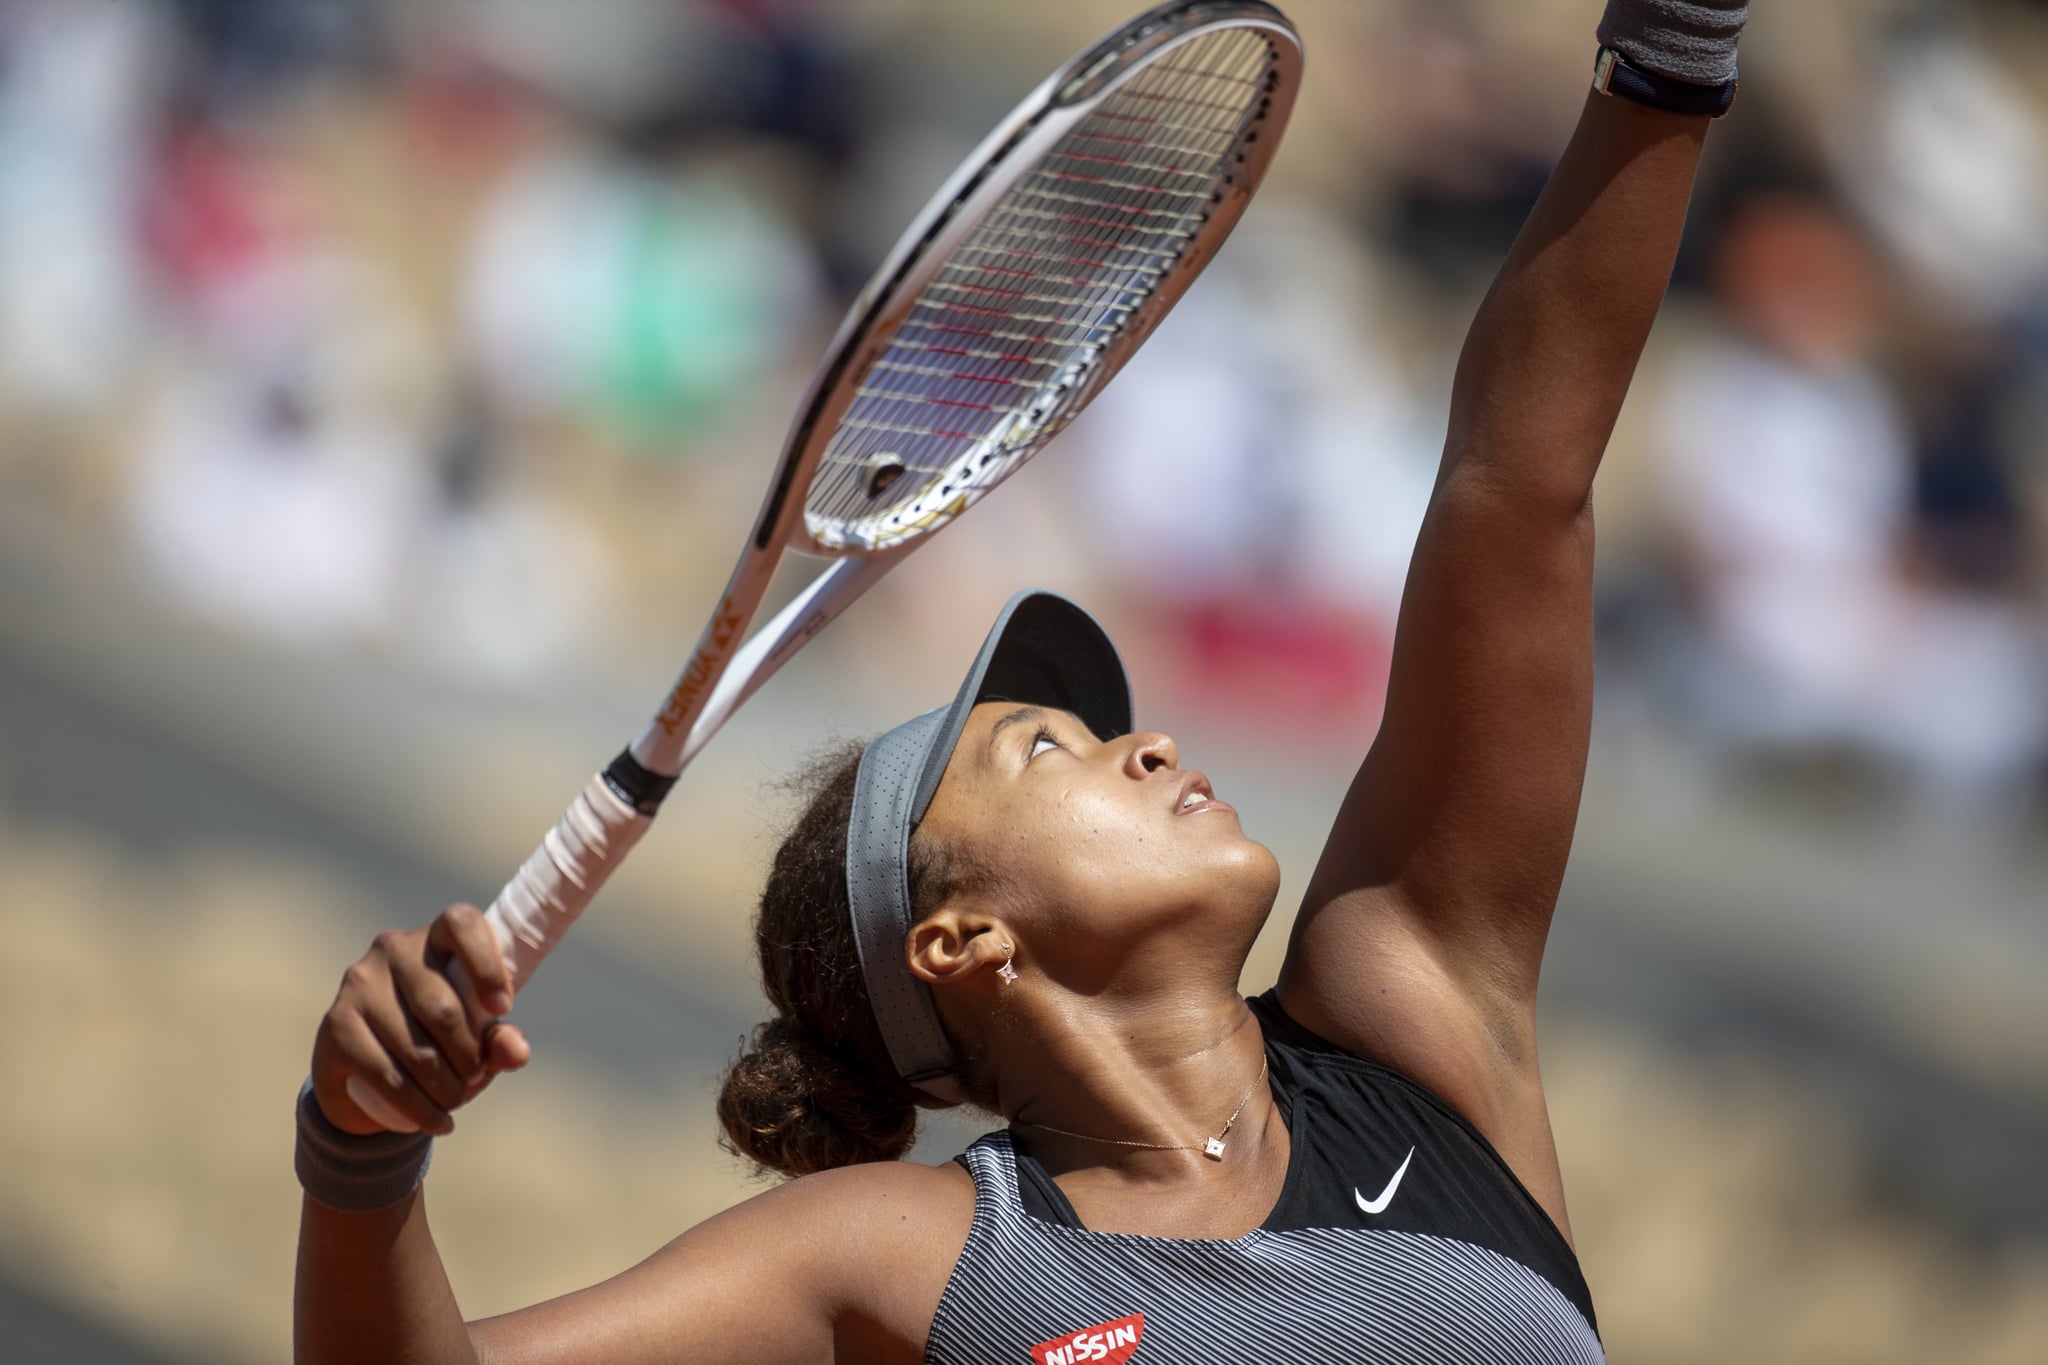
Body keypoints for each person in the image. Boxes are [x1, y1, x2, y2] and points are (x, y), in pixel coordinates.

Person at [294, 3, 1747, 1360]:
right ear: (961, 941)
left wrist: (1675, 44)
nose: (1148, 744)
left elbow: (1517, 485)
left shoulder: (1413, 1011)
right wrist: (361, 1148)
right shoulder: (909, 1251)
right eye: (1046, 751)